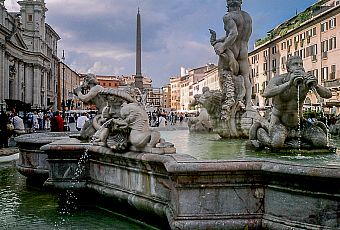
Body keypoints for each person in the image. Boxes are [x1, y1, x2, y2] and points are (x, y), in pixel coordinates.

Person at [259, 56, 332, 148]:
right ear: (288, 68)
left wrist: (315, 85)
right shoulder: (279, 80)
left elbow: (328, 95)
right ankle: (261, 132)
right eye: (295, 64)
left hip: (299, 123)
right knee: (276, 143)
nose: (299, 66)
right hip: (279, 122)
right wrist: (288, 83)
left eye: (301, 64)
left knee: (321, 142)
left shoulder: (306, 81)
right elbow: (266, 93)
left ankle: (297, 142)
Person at [209, 0, 252, 108]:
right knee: (246, 77)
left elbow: (233, 34)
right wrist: (218, 40)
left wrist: (222, 46)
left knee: (225, 75)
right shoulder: (247, 16)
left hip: (232, 50)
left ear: (228, 3)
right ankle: (248, 106)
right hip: (244, 50)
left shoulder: (228, 16)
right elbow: (233, 35)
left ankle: (229, 102)